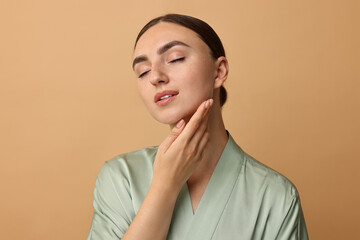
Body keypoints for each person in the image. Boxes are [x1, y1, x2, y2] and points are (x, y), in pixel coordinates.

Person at [87, 14, 308, 240]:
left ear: (219, 71)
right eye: (143, 71)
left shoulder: (276, 196)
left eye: (175, 58)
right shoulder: (121, 178)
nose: (155, 77)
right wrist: (165, 186)